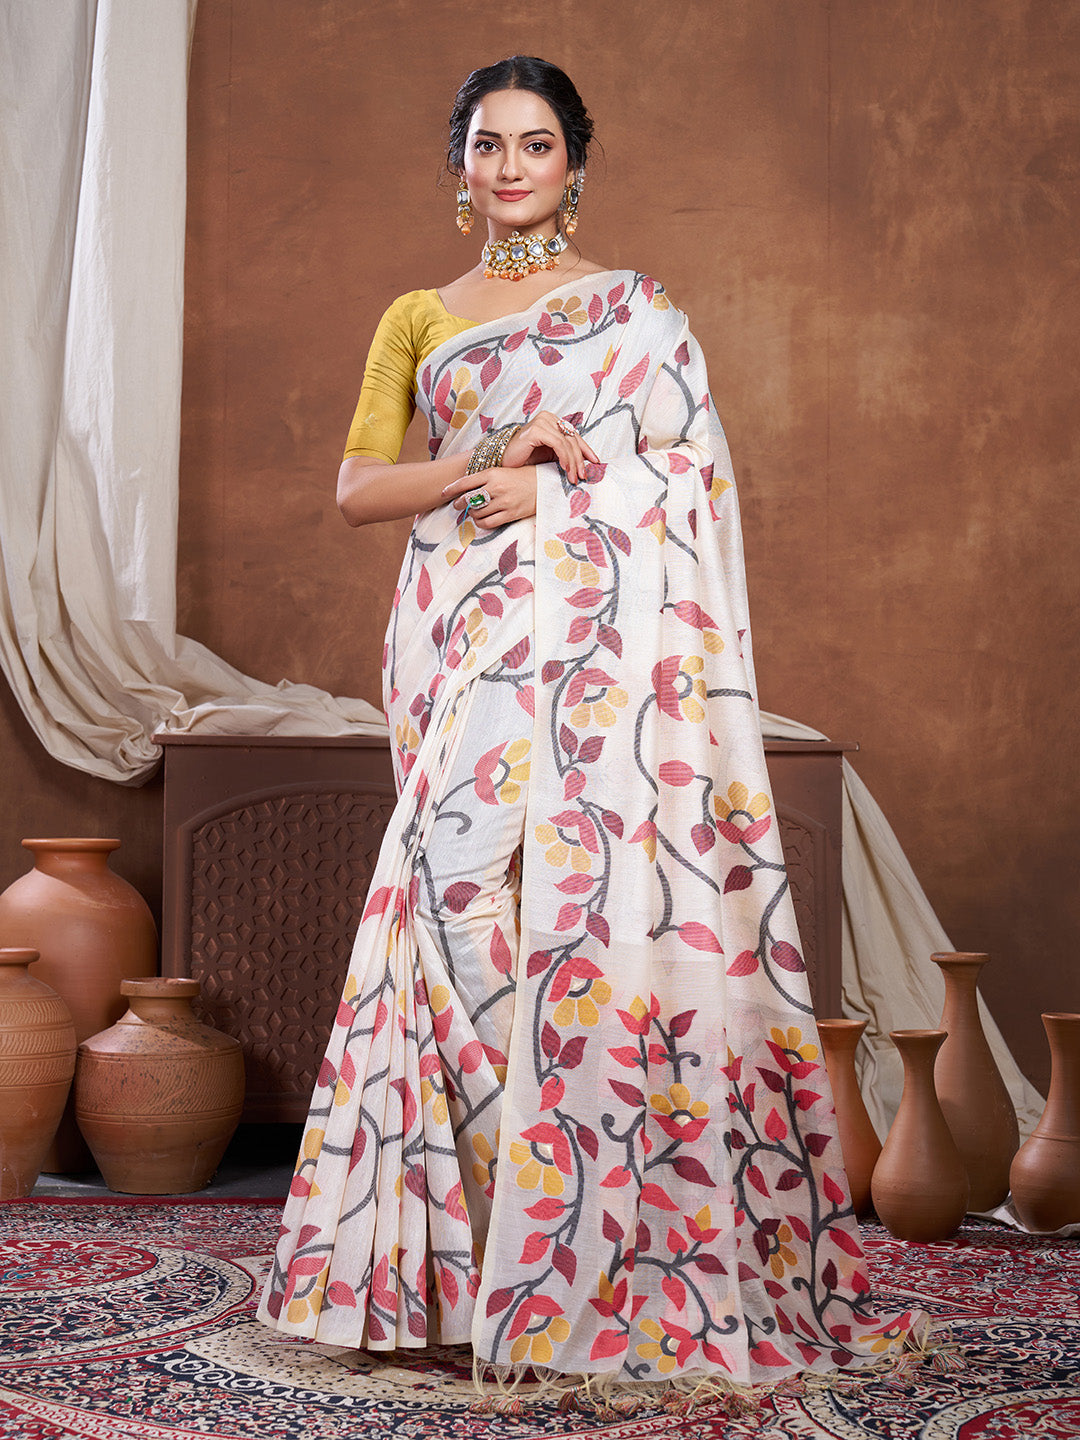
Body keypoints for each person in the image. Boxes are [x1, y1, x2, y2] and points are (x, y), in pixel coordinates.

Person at [258, 56, 924, 1396]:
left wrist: (561, 498)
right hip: (457, 641)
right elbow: (358, 489)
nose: (510, 167)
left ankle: (574, 1231)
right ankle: (497, 1244)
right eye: (487, 144)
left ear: (576, 163)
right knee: (447, 905)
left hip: (591, 656)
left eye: (536, 144)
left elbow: (690, 477)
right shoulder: (417, 317)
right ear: (458, 165)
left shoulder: (638, 315)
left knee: (556, 912)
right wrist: (490, 465)